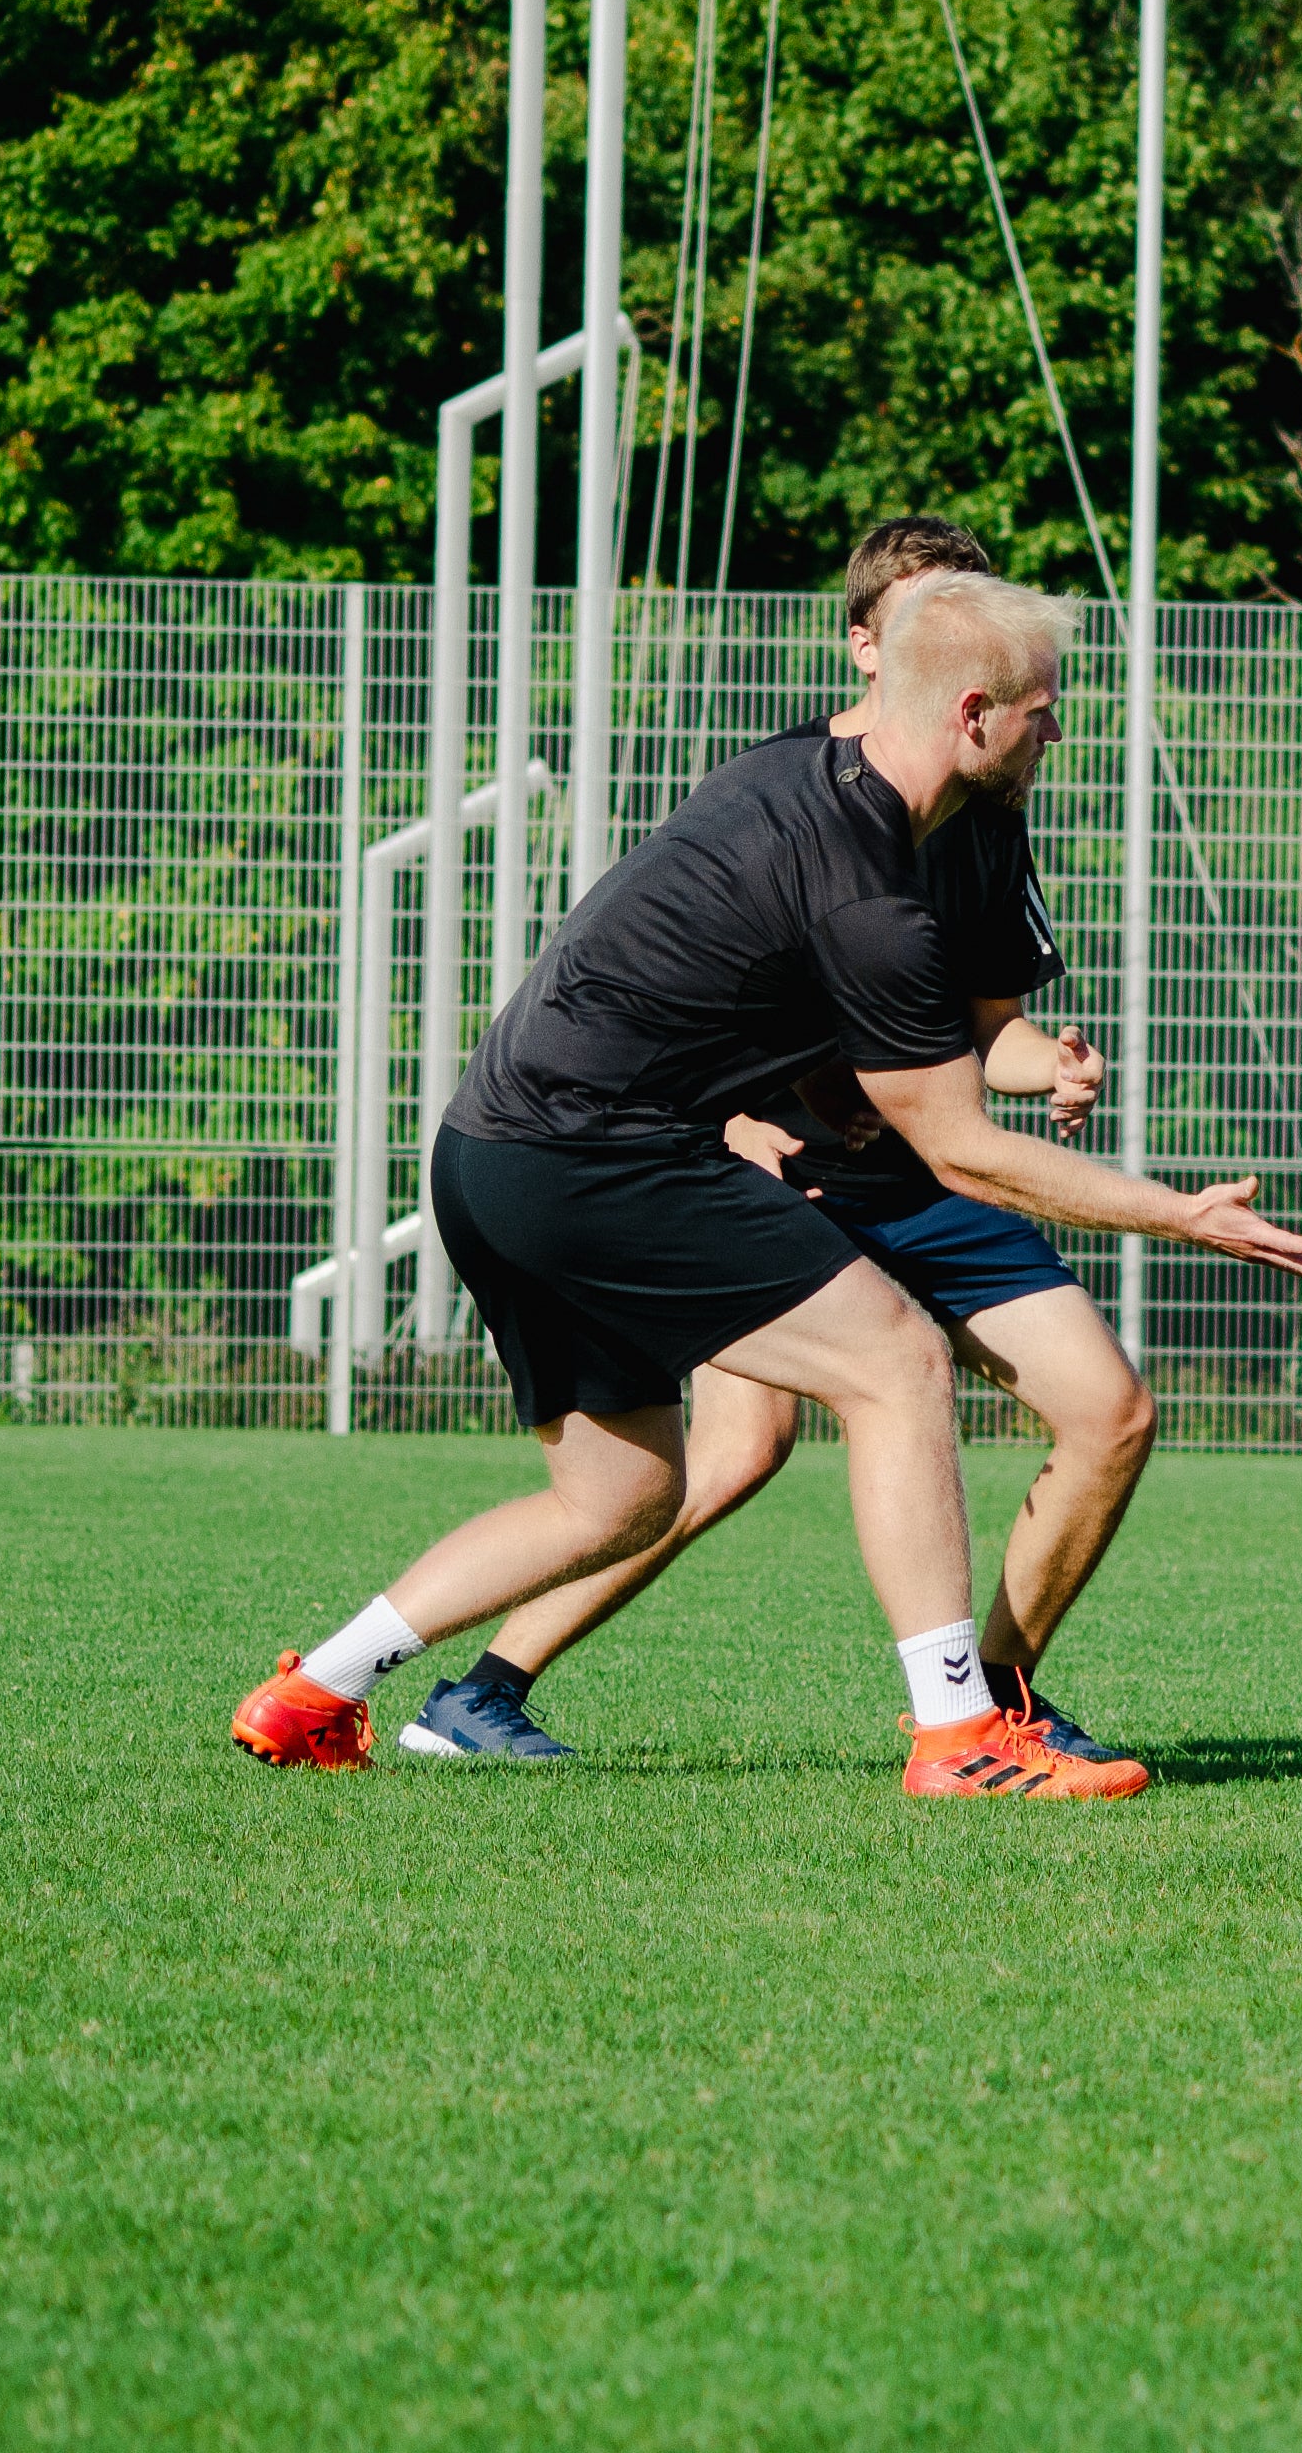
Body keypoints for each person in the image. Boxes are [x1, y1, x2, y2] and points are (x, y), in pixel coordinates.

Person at [227, 571, 1302, 1797]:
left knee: (621, 1496)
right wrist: (1176, 1211)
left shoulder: (805, 773)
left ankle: (315, 1689)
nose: (1056, 731)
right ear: (972, 714)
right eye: (1042, 710)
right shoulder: (867, 891)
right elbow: (959, 1148)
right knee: (896, 1363)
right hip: (598, 1154)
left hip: (490, 1154)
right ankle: (960, 1739)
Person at [401, 520, 1164, 1774]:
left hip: (921, 1174)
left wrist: (1052, 1065)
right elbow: (675, 1006)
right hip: (771, 1176)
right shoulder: (789, 793)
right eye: (913, 616)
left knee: (1110, 1410)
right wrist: (730, 1127)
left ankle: (994, 1704)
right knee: (735, 1452)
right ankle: (482, 1689)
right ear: (872, 647)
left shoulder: (982, 808)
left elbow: (984, 1038)